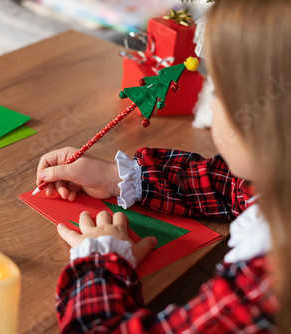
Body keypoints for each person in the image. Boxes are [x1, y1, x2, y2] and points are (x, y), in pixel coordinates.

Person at [35, 0, 290, 332]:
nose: (212, 106)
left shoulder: (264, 285)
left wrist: (100, 263)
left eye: (218, 92)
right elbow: (230, 186)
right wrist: (120, 178)